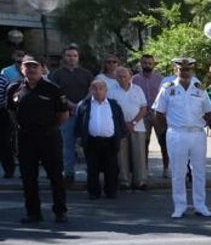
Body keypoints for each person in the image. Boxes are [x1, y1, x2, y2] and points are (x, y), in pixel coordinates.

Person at [152, 56, 211, 218]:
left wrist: (203, 125)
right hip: (176, 133)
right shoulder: (168, 88)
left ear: (193, 71)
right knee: (178, 172)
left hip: (197, 134)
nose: (185, 72)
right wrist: (166, 130)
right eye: (181, 69)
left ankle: (200, 205)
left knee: (199, 171)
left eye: (188, 69)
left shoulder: (200, 89)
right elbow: (159, 112)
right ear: (175, 70)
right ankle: (180, 206)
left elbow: (209, 111)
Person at [10, 56, 70, 223]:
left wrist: (48, 127)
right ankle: (33, 213)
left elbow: (63, 115)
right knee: (28, 178)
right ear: (22, 69)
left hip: (48, 137)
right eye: (27, 66)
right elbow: (12, 112)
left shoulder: (53, 89)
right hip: (26, 139)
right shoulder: (14, 89)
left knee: (55, 176)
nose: (31, 69)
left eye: (35, 66)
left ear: (42, 69)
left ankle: (60, 211)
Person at [48, 44, 94, 185]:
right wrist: (70, 104)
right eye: (69, 55)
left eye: (74, 55)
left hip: (85, 114)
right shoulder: (56, 74)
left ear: (78, 57)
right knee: (67, 145)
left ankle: (91, 173)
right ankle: (69, 173)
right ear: (63, 57)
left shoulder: (86, 73)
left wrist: (80, 104)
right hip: (66, 114)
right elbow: (55, 92)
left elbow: (92, 90)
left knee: (88, 145)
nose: (72, 58)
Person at [74, 78, 127, 199]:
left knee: (112, 168)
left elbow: (120, 121)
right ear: (91, 90)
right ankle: (93, 192)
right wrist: (79, 138)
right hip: (92, 141)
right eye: (95, 88)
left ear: (106, 90)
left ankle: (111, 191)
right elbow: (78, 123)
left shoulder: (113, 104)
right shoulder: (84, 105)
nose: (98, 91)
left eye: (101, 88)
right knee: (92, 168)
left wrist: (121, 135)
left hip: (110, 141)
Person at [109, 64, 149, 191]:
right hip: (120, 127)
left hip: (138, 126)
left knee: (139, 155)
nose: (122, 79)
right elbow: (111, 110)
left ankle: (140, 181)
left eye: (125, 76)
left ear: (130, 77)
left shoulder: (138, 89)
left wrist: (133, 122)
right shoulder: (111, 90)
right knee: (121, 155)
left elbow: (144, 108)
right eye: (119, 76)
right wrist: (124, 124)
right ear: (116, 78)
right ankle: (124, 181)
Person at [132, 54, 167, 177]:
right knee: (144, 143)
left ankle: (166, 168)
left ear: (154, 64)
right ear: (141, 64)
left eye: (150, 63)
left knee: (163, 142)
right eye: (145, 63)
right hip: (142, 115)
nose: (147, 65)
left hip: (158, 114)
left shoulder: (161, 79)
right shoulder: (134, 79)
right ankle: (144, 169)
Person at [0, 48, 21, 178]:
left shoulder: (34, 71)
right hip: (6, 111)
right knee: (4, 141)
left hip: (28, 112)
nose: (21, 64)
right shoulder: (6, 73)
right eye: (18, 61)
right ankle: (9, 169)